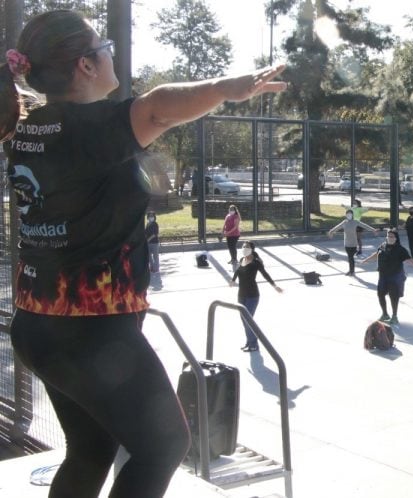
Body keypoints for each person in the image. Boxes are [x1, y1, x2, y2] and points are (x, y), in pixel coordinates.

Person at [1, 10, 287, 498]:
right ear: (86, 67)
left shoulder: (26, 129)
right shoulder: (92, 128)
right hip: (90, 333)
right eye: (104, 45)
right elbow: (157, 107)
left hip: (38, 325)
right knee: (164, 444)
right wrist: (228, 86)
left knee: (90, 449)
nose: (111, 52)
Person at [361, 228, 413, 325]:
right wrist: (367, 260)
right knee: (380, 294)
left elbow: (408, 259)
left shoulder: (400, 249)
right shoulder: (383, 245)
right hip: (382, 275)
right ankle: (385, 314)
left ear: (396, 238)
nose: (389, 238)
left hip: (394, 276)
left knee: (394, 297)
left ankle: (394, 316)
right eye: (388, 236)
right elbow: (376, 254)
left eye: (392, 236)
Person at [230, 241, 283, 352]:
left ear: (252, 249)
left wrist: (274, 286)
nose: (244, 248)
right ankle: (249, 342)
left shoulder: (256, 263)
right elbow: (238, 271)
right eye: (243, 246)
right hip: (241, 294)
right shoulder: (241, 260)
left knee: (248, 320)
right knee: (244, 320)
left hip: (252, 295)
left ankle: (254, 345)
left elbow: (265, 274)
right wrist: (232, 280)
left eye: (247, 247)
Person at [328, 209, 378, 275]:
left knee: (350, 257)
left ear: (352, 215)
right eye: (347, 214)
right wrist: (331, 231)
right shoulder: (344, 222)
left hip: (354, 243)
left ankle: (351, 271)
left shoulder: (355, 222)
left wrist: (373, 230)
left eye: (350, 214)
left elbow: (364, 225)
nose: (349, 215)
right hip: (347, 243)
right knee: (350, 257)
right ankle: (351, 271)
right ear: (346, 215)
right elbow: (337, 227)